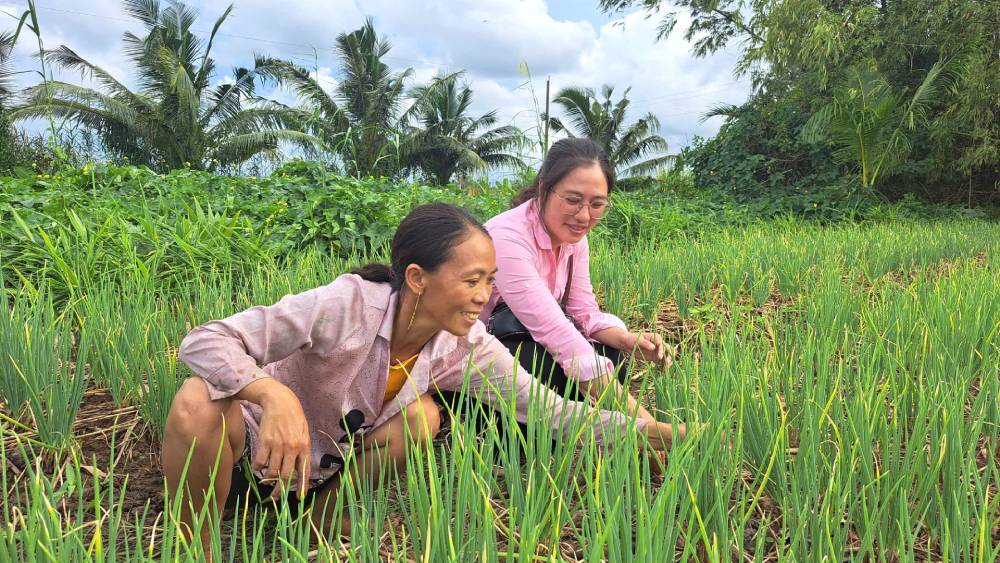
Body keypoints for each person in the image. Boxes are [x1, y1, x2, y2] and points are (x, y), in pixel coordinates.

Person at [161, 203, 684, 553]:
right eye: (471, 280)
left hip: (315, 473)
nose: (484, 297)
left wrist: (661, 433)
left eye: (490, 282)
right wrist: (273, 396)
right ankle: (194, 547)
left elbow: (551, 411)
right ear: (417, 278)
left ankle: (318, 520)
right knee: (197, 401)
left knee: (422, 417)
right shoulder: (347, 306)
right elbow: (204, 341)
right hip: (252, 457)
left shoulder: (465, 346)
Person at [480, 138, 668, 424]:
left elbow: (583, 311)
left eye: (597, 204)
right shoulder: (507, 236)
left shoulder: (574, 240)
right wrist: (651, 428)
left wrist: (626, 340)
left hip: (531, 336)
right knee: (539, 365)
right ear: (544, 189)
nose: (584, 216)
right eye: (572, 200)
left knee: (608, 352)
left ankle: (581, 422)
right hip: (483, 351)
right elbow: (554, 331)